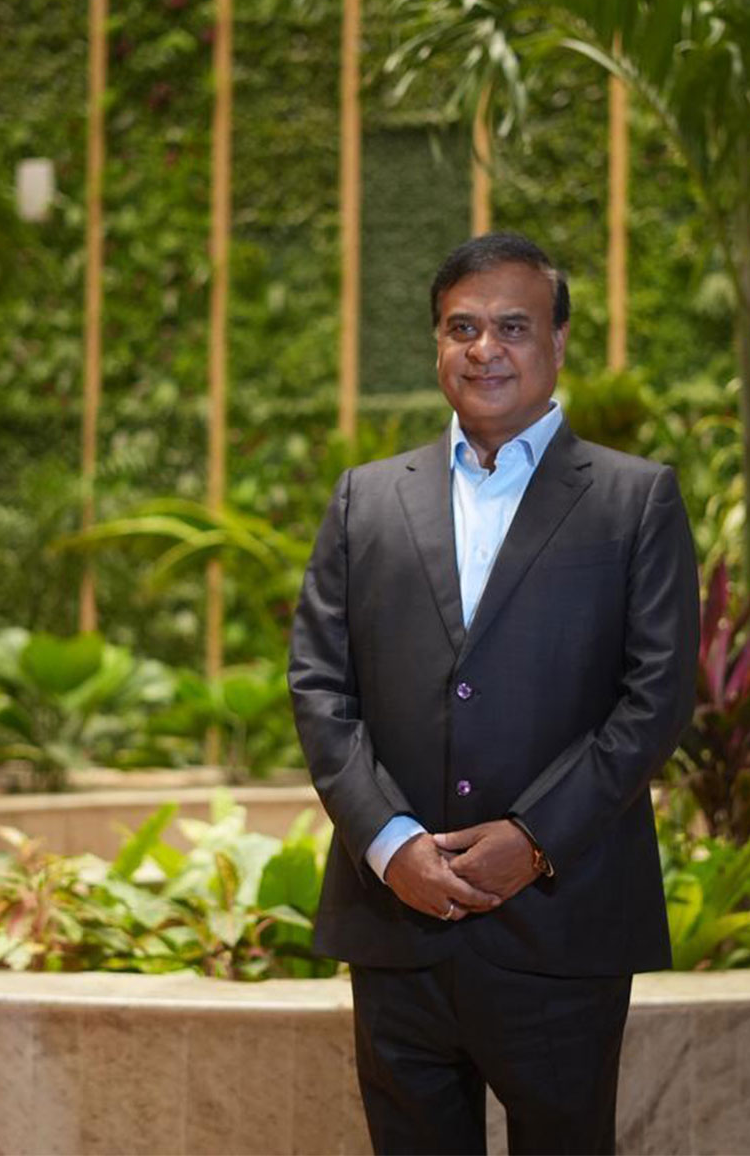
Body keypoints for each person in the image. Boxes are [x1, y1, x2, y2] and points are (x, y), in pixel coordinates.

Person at [289, 232, 700, 1155]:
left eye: (513, 326)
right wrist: (391, 845)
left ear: (558, 342)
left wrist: (536, 839)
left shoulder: (636, 501)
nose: (486, 349)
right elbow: (320, 686)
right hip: (398, 921)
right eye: (461, 327)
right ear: (437, 346)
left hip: (562, 926)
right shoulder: (365, 500)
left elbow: (657, 698)